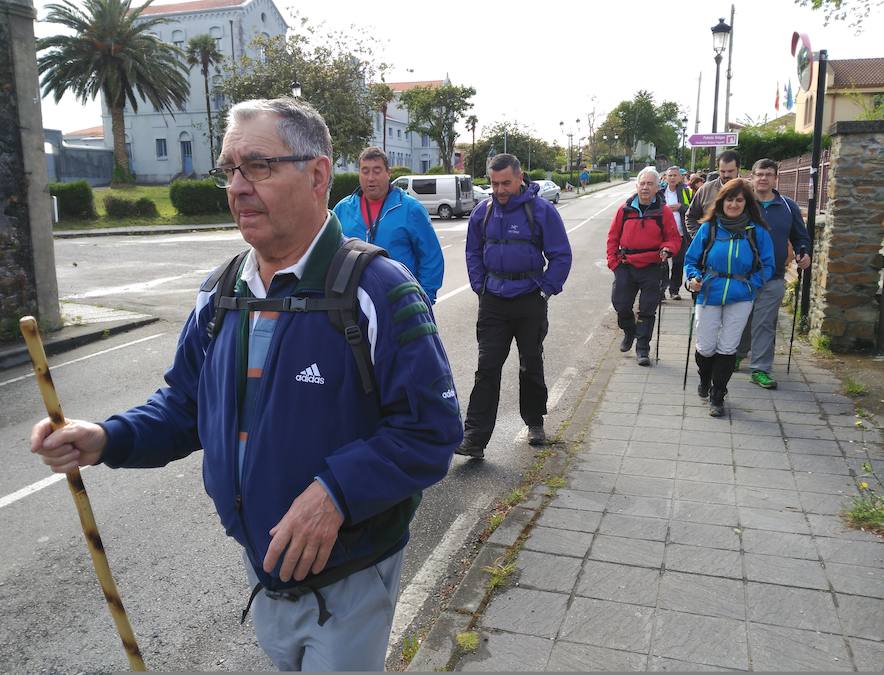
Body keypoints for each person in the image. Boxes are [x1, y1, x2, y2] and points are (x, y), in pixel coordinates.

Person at [29, 97, 463, 671]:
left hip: (350, 572)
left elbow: (432, 431)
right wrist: (108, 438)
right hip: (260, 562)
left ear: (317, 174)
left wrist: (335, 493)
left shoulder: (377, 289)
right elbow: (185, 405)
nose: (236, 187)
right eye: (229, 168)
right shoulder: (221, 291)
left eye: (258, 166)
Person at [455, 153, 572, 459]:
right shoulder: (484, 211)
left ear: (520, 178)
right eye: (494, 183)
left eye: (506, 182)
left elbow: (561, 255)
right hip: (493, 301)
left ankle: (534, 422)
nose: (500, 189)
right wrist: (480, 286)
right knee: (487, 369)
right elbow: (473, 252)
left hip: (529, 299)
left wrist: (546, 291)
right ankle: (475, 439)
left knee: (530, 363)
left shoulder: (542, 211)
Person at [684, 178, 775, 417]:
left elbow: (767, 265)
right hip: (709, 291)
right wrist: (693, 278)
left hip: (741, 295)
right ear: (721, 201)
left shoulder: (757, 231)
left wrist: (750, 286)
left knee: (727, 346)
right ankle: (705, 380)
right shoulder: (710, 227)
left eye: (739, 200)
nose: (733, 204)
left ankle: (718, 393)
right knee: (705, 347)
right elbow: (691, 259)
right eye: (729, 199)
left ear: (746, 203)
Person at [735, 158, 811, 388]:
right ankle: (737, 353)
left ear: (775, 178)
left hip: (773, 275)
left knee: (765, 322)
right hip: (742, 275)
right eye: (759, 174)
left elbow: (800, 236)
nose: (763, 178)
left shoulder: (788, 206)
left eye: (768, 174)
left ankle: (760, 368)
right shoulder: (742, 204)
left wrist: (803, 252)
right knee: (742, 318)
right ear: (752, 177)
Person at [334, 146, 444, 302]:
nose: (370, 177)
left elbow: (431, 257)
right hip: (352, 304)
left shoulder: (411, 209)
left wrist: (424, 299)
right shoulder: (342, 209)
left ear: (388, 173)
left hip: (400, 303)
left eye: (377, 171)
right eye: (365, 171)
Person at [606, 167, 681, 366]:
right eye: (642, 183)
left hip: (652, 266)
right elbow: (612, 237)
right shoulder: (625, 209)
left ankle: (642, 348)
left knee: (648, 309)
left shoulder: (662, 211)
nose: (645, 187)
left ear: (658, 187)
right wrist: (613, 263)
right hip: (626, 265)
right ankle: (630, 331)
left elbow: (673, 238)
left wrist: (667, 249)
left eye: (650, 184)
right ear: (636, 186)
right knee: (621, 305)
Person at [685, 150, 740, 237]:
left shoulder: (749, 189)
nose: (726, 175)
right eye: (722, 171)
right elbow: (690, 217)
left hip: (741, 246)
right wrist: (700, 239)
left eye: (730, 171)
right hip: (711, 247)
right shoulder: (705, 190)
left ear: (738, 168)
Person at [658, 166, 693, 300]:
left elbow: (693, 209)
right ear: (665, 177)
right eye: (670, 175)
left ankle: (674, 290)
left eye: (675, 175)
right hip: (663, 235)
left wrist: (680, 207)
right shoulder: (660, 192)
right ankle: (661, 290)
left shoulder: (687, 192)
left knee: (678, 264)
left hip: (681, 234)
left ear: (680, 177)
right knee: (662, 263)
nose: (672, 178)